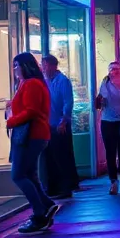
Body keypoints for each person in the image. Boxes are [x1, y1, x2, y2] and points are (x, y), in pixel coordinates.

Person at [6, 53, 60, 234]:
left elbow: (31, 111)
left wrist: (11, 121)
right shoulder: (29, 83)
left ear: (25, 66)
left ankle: (39, 214)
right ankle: (46, 205)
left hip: (32, 135)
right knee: (29, 174)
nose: (15, 69)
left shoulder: (32, 84)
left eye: (16, 66)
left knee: (18, 174)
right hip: (33, 135)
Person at [40, 55, 78, 199]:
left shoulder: (63, 81)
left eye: (45, 65)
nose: (43, 68)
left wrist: (63, 121)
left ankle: (66, 187)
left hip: (59, 125)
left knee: (62, 156)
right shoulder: (44, 81)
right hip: (47, 125)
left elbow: (68, 102)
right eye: (42, 65)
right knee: (49, 157)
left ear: (53, 66)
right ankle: (52, 187)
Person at [96, 62, 120, 194]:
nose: (115, 72)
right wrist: (100, 101)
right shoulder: (105, 82)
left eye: (117, 69)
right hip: (108, 121)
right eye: (112, 69)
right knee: (110, 153)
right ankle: (113, 181)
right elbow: (101, 99)